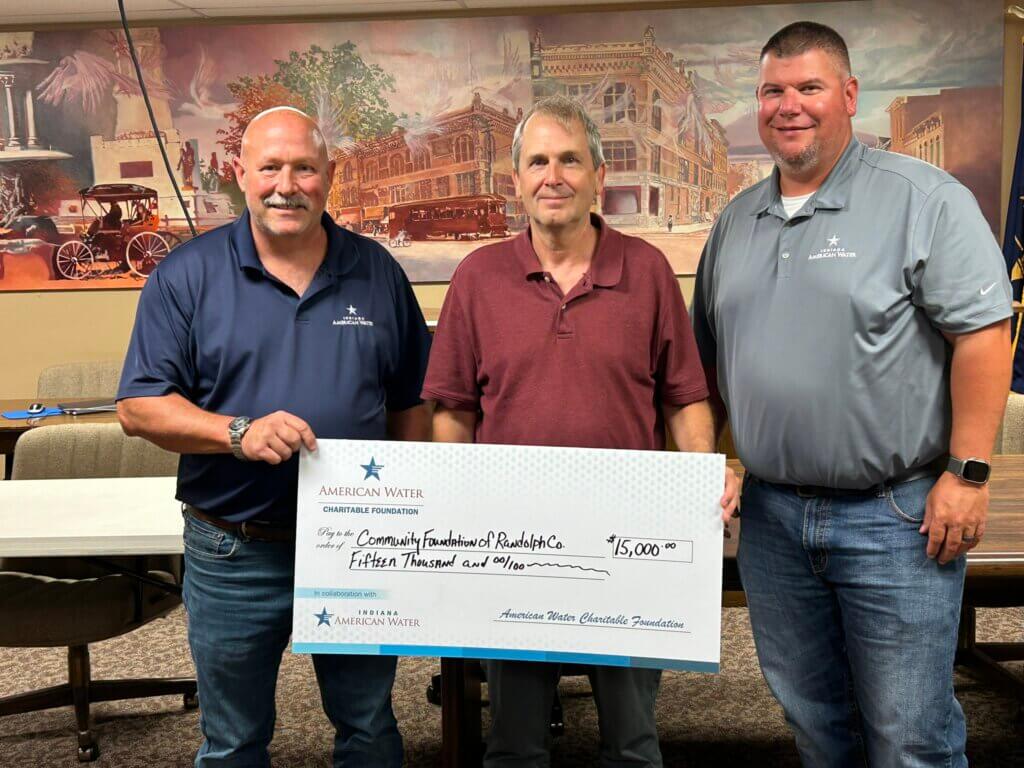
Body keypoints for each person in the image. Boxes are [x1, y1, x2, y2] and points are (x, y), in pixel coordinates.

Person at [691, 22, 1012, 768]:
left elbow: (984, 337)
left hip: (896, 518)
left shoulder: (923, 199)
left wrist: (968, 474)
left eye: (809, 87)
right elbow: (707, 369)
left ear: (849, 95)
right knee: (816, 725)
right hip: (772, 524)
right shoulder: (735, 222)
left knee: (910, 735)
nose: (789, 105)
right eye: (773, 90)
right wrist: (717, 459)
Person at [422, 94, 739, 768]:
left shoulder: (648, 272)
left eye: (570, 159)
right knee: (513, 744)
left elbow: (685, 399)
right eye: (537, 161)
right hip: (511, 544)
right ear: (516, 181)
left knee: (632, 742)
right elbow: (452, 409)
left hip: (627, 543)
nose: (553, 176)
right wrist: (459, 505)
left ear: (598, 173)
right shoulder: (478, 277)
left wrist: (701, 481)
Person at [117, 106, 431, 768]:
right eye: (269, 167)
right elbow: (139, 406)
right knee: (234, 739)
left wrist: (404, 505)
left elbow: (411, 405)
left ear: (330, 176)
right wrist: (236, 432)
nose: (286, 184)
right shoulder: (187, 275)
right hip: (235, 547)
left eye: (304, 168)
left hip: (357, 546)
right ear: (239, 174)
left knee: (370, 728)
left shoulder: (377, 272)